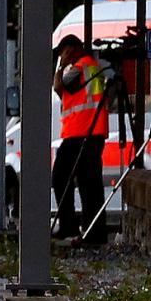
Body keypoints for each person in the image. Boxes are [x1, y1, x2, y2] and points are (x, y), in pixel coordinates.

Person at [50, 34, 110, 244]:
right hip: (86, 132)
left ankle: (74, 227)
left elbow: (59, 85)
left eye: (64, 52)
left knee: (65, 179)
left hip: (82, 132)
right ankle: (91, 230)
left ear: (73, 49)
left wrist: (61, 66)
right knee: (87, 182)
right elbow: (66, 94)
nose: (62, 56)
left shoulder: (81, 66)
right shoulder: (90, 67)